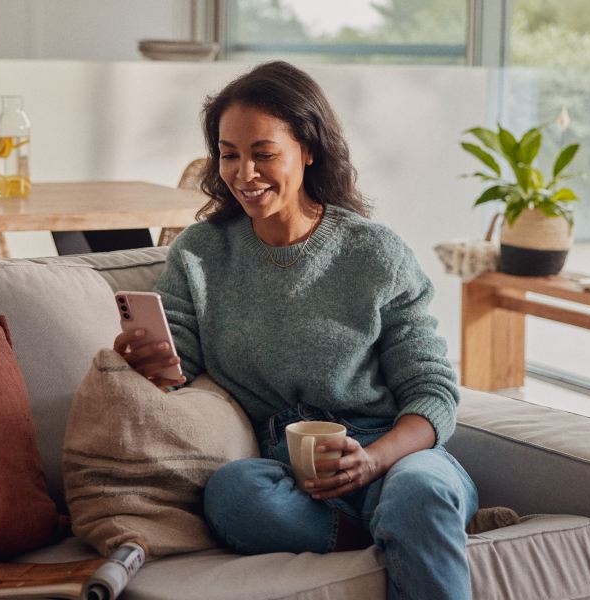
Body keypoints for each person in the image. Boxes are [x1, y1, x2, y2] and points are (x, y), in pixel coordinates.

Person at [112, 61, 478, 600]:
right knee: (233, 494)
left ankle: (408, 518)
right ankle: (372, 533)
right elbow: (178, 368)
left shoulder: (374, 252)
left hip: (392, 453)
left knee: (420, 492)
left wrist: (373, 460)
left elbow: (433, 391)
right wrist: (145, 362)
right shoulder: (201, 252)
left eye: (263, 154)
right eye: (229, 154)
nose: (243, 173)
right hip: (284, 469)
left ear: (308, 149)